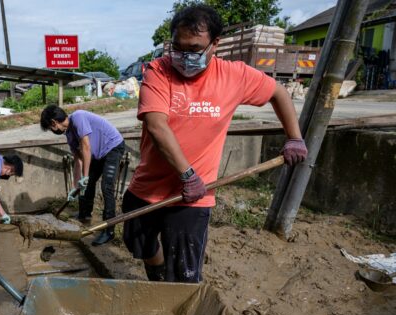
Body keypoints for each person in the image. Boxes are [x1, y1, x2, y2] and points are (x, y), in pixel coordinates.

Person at [123, 5, 308, 283]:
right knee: (140, 244)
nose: (184, 57)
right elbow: (156, 126)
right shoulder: (158, 71)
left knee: (184, 273)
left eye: (194, 49)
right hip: (148, 187)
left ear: (215, 44)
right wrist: (187, 174)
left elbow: (278, 93)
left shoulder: (234, 76)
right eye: (178, 47)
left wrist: (294, 137)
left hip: (195, 197)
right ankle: (158, 278)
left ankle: (171, 300)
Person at [40, 105, 125, 246]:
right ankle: (84, 215)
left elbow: (86, 146)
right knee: (88, 183)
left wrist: (85, 176)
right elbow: (78, 160)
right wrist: (75, 186)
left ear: (54, 123)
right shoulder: (69, 134)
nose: (52, 131)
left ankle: (109, 231)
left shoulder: (78, 117)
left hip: (113, 147)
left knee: (106, 187)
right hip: (98, 154)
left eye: (50, 128)